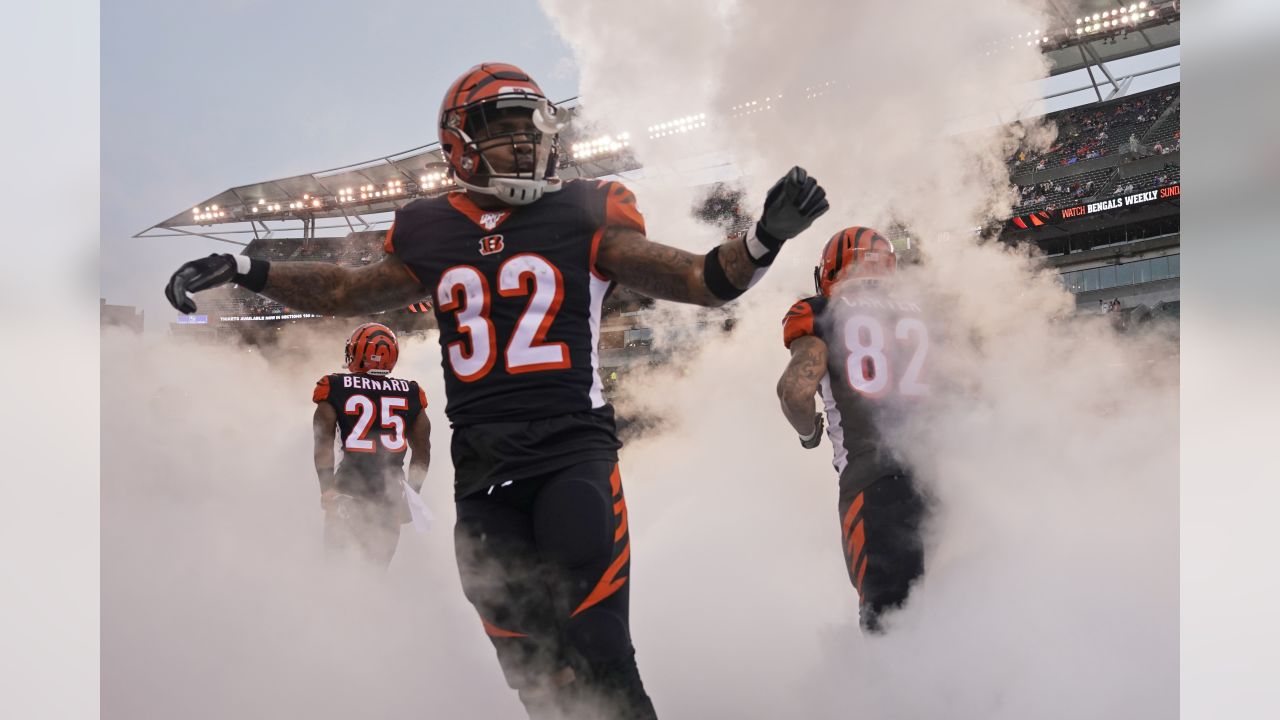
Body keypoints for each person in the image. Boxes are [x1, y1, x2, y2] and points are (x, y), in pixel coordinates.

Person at [165, 62, 828, 719]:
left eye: (531, 126)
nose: (522, 140)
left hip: (572, 456)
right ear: (458, 142)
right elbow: (344, 290)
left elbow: (702, 282)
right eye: (503, 128)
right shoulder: (430, 228)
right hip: (484, 475)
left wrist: (764, 237)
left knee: (598, 647)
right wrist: (247, 267)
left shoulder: (586, 210)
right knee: (534, 673)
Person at [775, 227, 930, 634]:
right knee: (942, 608)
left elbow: (793, 393)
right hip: (943, 470)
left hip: (875, 480)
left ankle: (894, 695)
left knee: (886, 624)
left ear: (827, 271)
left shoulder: (821, 312)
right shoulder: (929, 310)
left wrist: (809, 435)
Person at [312, 322, 431, 568]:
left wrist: (326, 488)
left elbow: (322, 442)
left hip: (347, 492)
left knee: (335, 574)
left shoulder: (334, 386)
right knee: (376, 575)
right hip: (389, 498)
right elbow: (422, 452)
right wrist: (413, 494)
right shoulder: (411, 392)